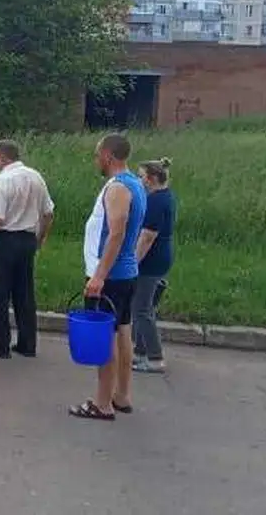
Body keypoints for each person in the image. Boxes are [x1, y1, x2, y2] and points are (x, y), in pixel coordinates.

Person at [69, 133, 146, 421]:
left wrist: (99, 275)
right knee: (123, 331)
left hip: (111, 275)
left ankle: (102, 403)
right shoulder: (136, 184)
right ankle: (122, 395)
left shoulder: (117, 188)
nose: (95, 159)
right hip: (125, 273)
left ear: (108, 156)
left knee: (106, 338)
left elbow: (117, 232)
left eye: (97, 154)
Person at [0, 140, 55, 359]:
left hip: (5, 241)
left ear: (2, 157)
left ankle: (0, 345)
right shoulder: (36, 177)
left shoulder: (2, 181)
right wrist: (40, 237)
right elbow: (49, 213)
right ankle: (27, 343)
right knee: (24, 293)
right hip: (27, 240)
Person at [132, 157, 176, 374]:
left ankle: (155, 357)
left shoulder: (155, 201)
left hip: (151, 260)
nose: (139, 181)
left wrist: (133, 262)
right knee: (143, 306)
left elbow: (147, 236)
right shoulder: (166, 196)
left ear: (150, 179)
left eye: (140, 177)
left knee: (141, 309)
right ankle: (140, 351)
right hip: (162, 257)